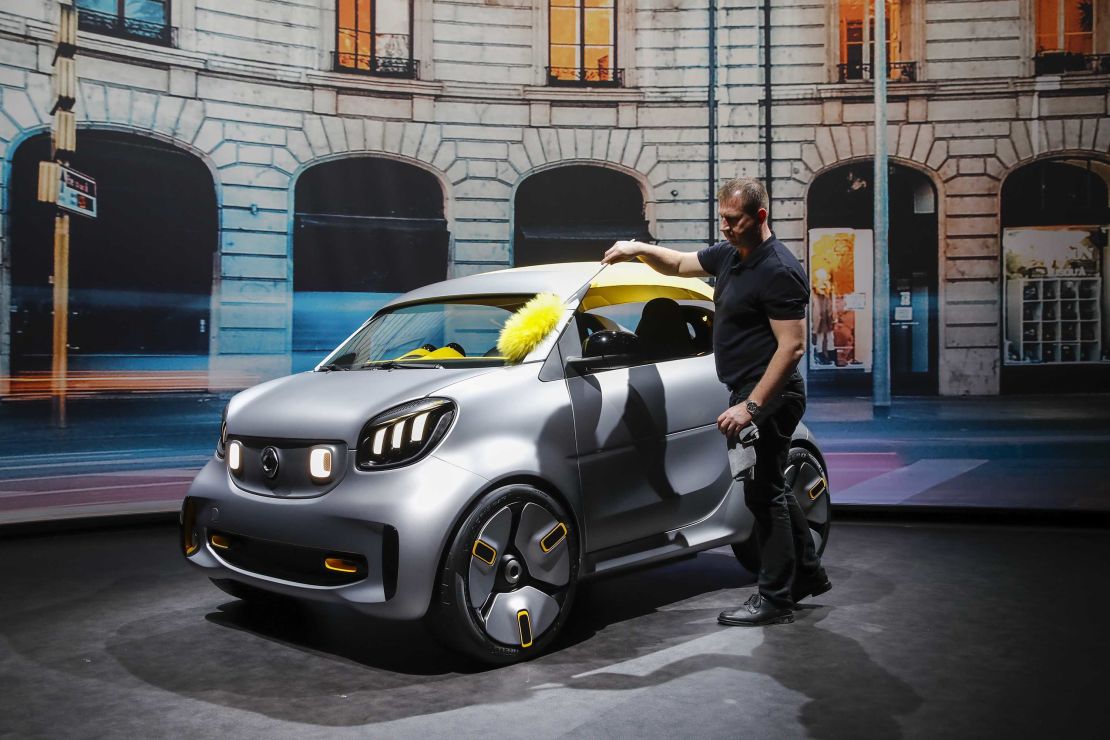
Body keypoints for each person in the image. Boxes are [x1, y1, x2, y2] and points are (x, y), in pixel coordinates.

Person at [601, 177, 830, 626]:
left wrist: (752, 407)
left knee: (764, 495)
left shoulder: (778, 269)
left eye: (733, 220)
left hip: (770, 396)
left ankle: (775, 598)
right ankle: (806, 574)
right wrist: (637, 249)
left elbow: (791, 348)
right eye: (722, 218)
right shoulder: (731, 254)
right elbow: (681, 263)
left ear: (759, 216)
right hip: (748, 391)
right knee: (772, 490)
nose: (724, 228)